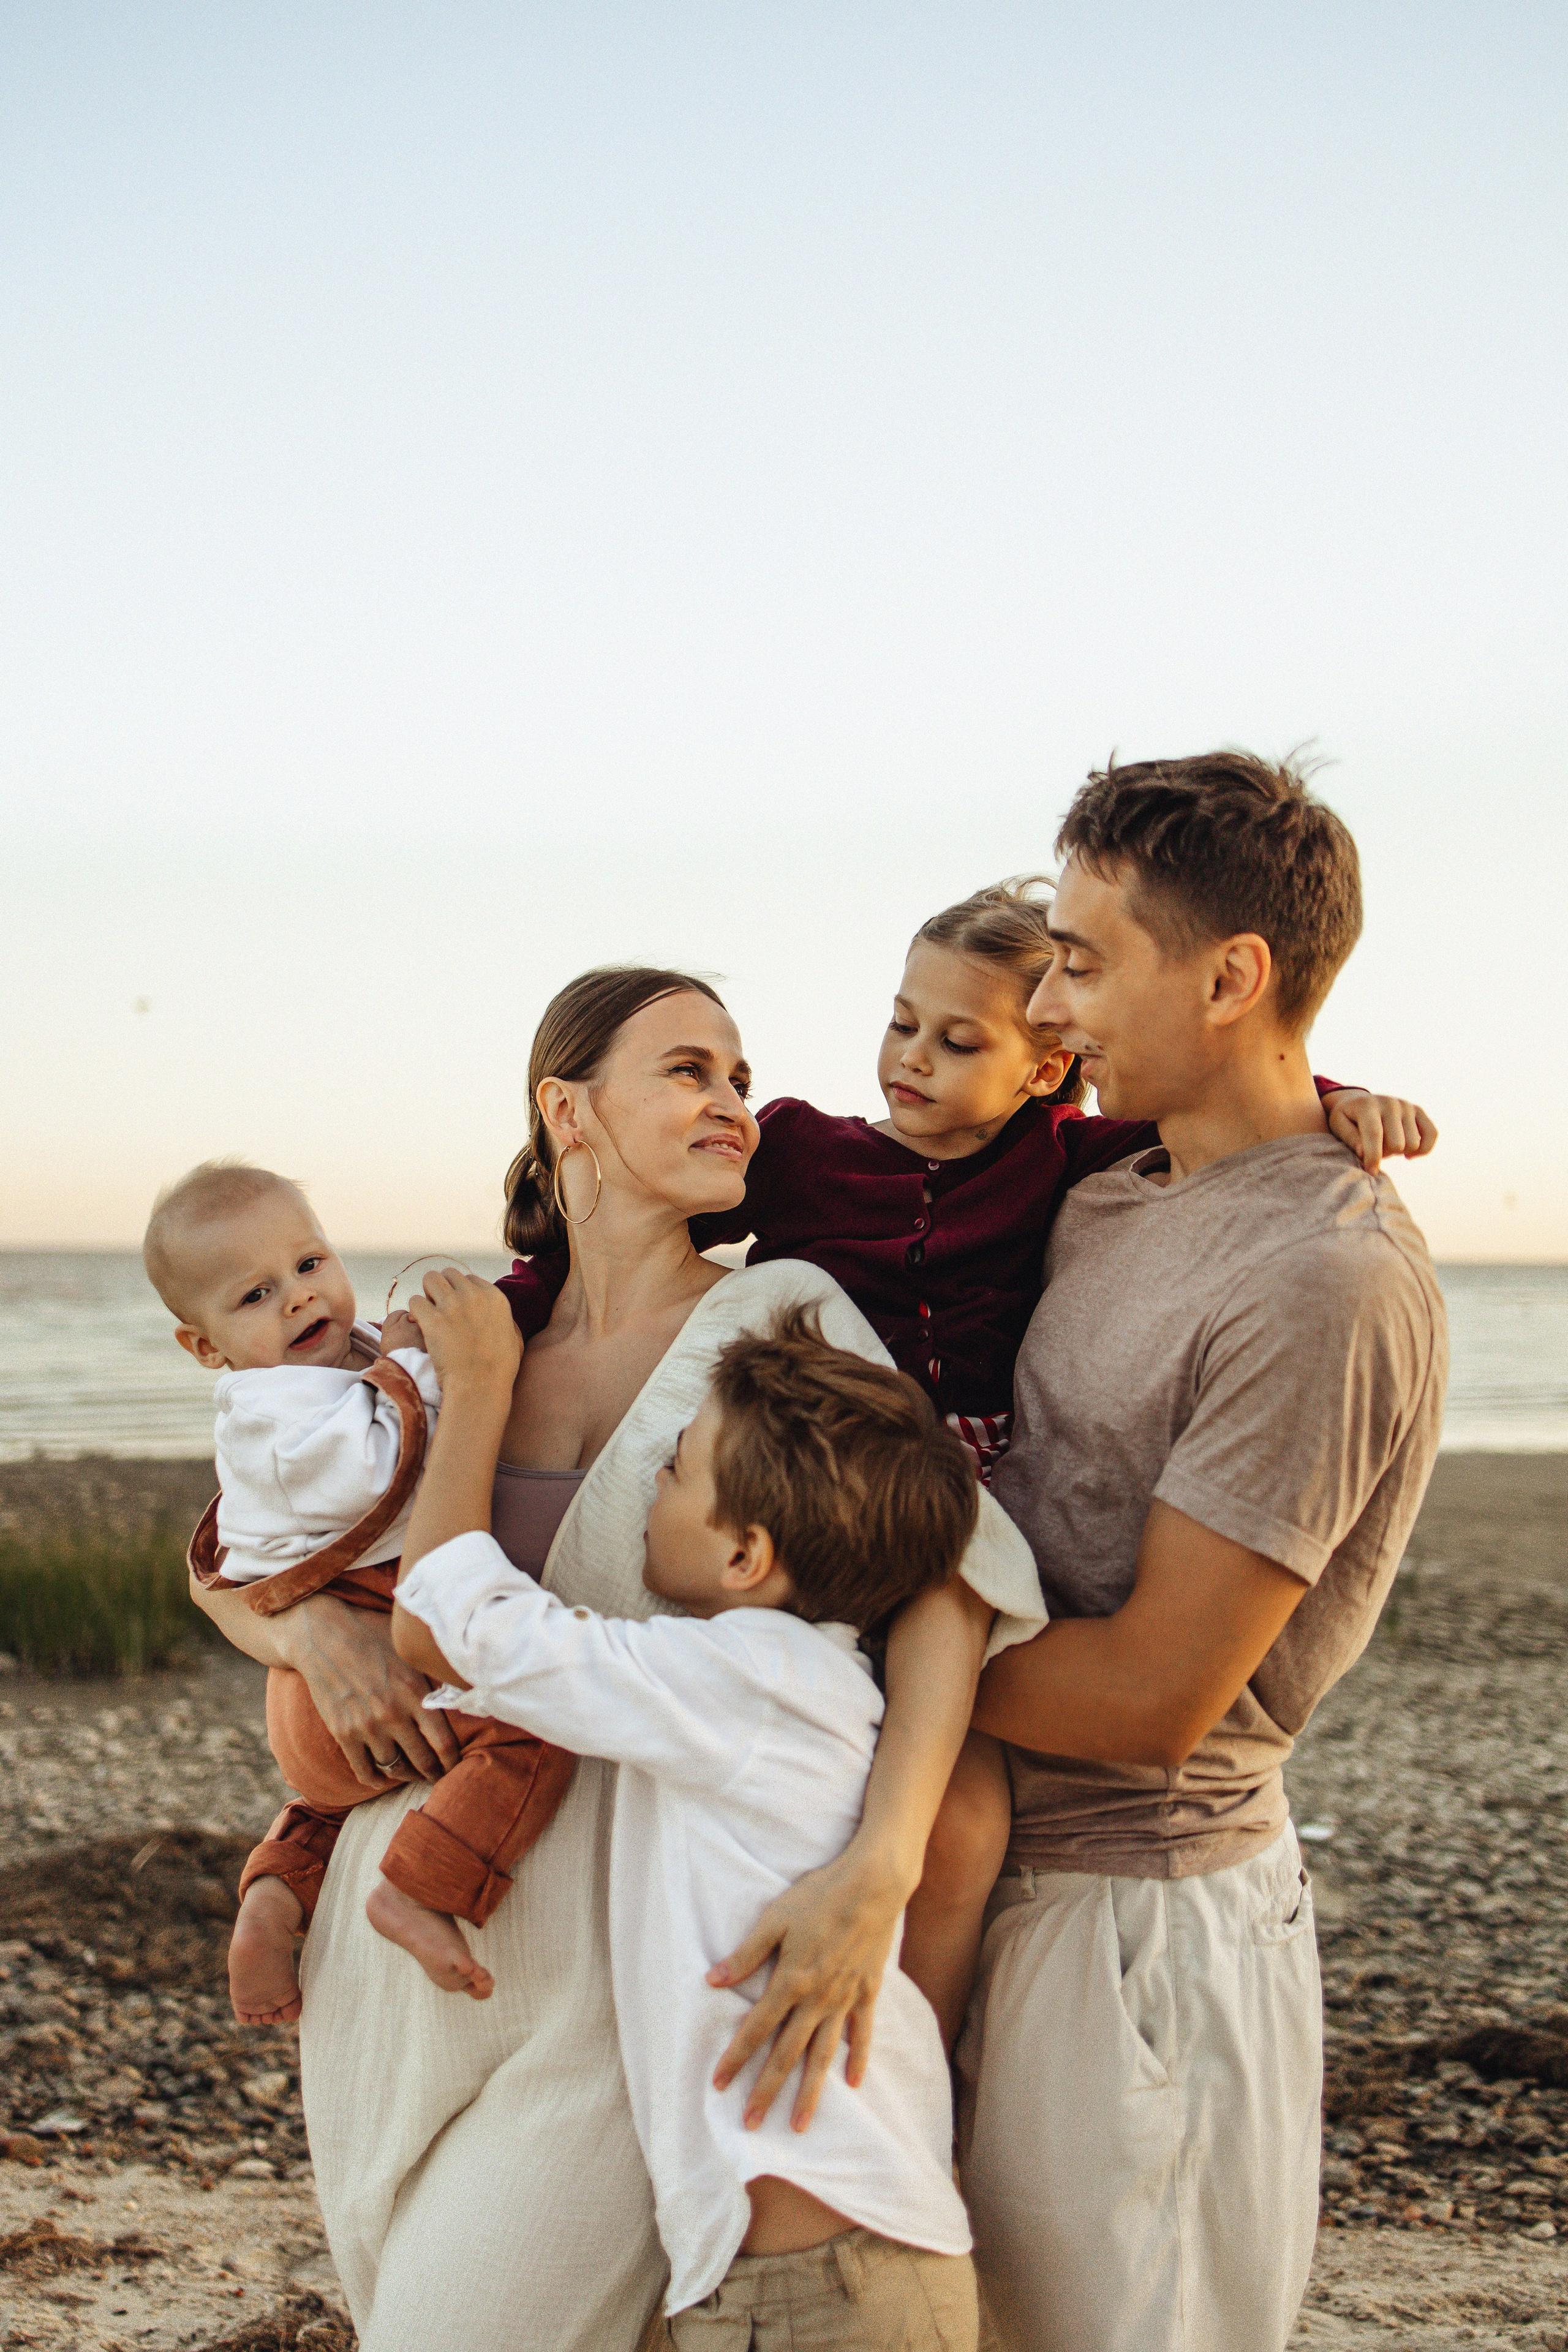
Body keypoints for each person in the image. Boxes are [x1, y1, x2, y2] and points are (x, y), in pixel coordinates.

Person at [189, 964, 1047, 2352]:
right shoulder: (474, 1338)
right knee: (394, 2288)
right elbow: (254, 1550)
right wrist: (300, 1629)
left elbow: (952, 1575)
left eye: (737, 1074)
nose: (732, 1100)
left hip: (621, 1957)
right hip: (396, 1942)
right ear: (566, 1109)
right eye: (688, 1069)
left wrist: (884, 1861)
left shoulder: (783, 1312)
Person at [499, 882, 1434, 2045]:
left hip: (968, 1509)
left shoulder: (1062, 1156)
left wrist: (1348, 1103)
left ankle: (914, 2055)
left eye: (958, 1042)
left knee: (961, 1823)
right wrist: (502, 1312)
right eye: (901, 1024)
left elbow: (1237, 1102)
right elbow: (619, 1249)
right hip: (823, 1484)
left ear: (1045, 1069)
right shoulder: (799, 1148)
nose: (913, 1059)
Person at [957, 753, 1449, 2352]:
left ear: (1232, 976)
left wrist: (837, 1663)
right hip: (988, 1886)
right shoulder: (1125, 1191)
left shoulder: (1327, 1275)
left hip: (1141, 1946)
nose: (1050, 1003)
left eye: (1088, 961)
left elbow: (1153, 1694)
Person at [390, 1288, 983, 2352]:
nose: (650, 1490)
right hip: (814, 2268)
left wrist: (474, 1394)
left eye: (671, 1473)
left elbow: (464, 1619)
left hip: (823, 2288)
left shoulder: (745, 1680)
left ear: (747, 1558)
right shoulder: (809, 1683)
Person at [145, 1162, 573, 2022]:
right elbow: (376, 1470)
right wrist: (420, 1364)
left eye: (309, 1266)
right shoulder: (265, 1412)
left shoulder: (345, 1355)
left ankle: (275, 1895)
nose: (300, 1300)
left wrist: (407, 1350)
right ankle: (424, 1889)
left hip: (332, 1672)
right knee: (535, 1720)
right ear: (206, 1348)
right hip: (359, 1627)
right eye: (256, 1295)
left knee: (336, 1804)